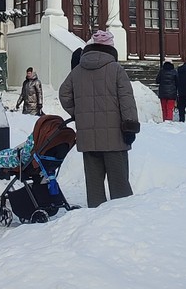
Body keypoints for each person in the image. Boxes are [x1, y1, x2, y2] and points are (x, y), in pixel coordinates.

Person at [58, 29, 139, 208]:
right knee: (119, 184)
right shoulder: (116, 69)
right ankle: (122, 218)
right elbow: (127, 100)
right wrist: (130, 126)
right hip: (115, 137)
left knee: (94, 185)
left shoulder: (78, 70)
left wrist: (78, 113)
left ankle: (95, 222)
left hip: (88, 137)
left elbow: (64, 94)